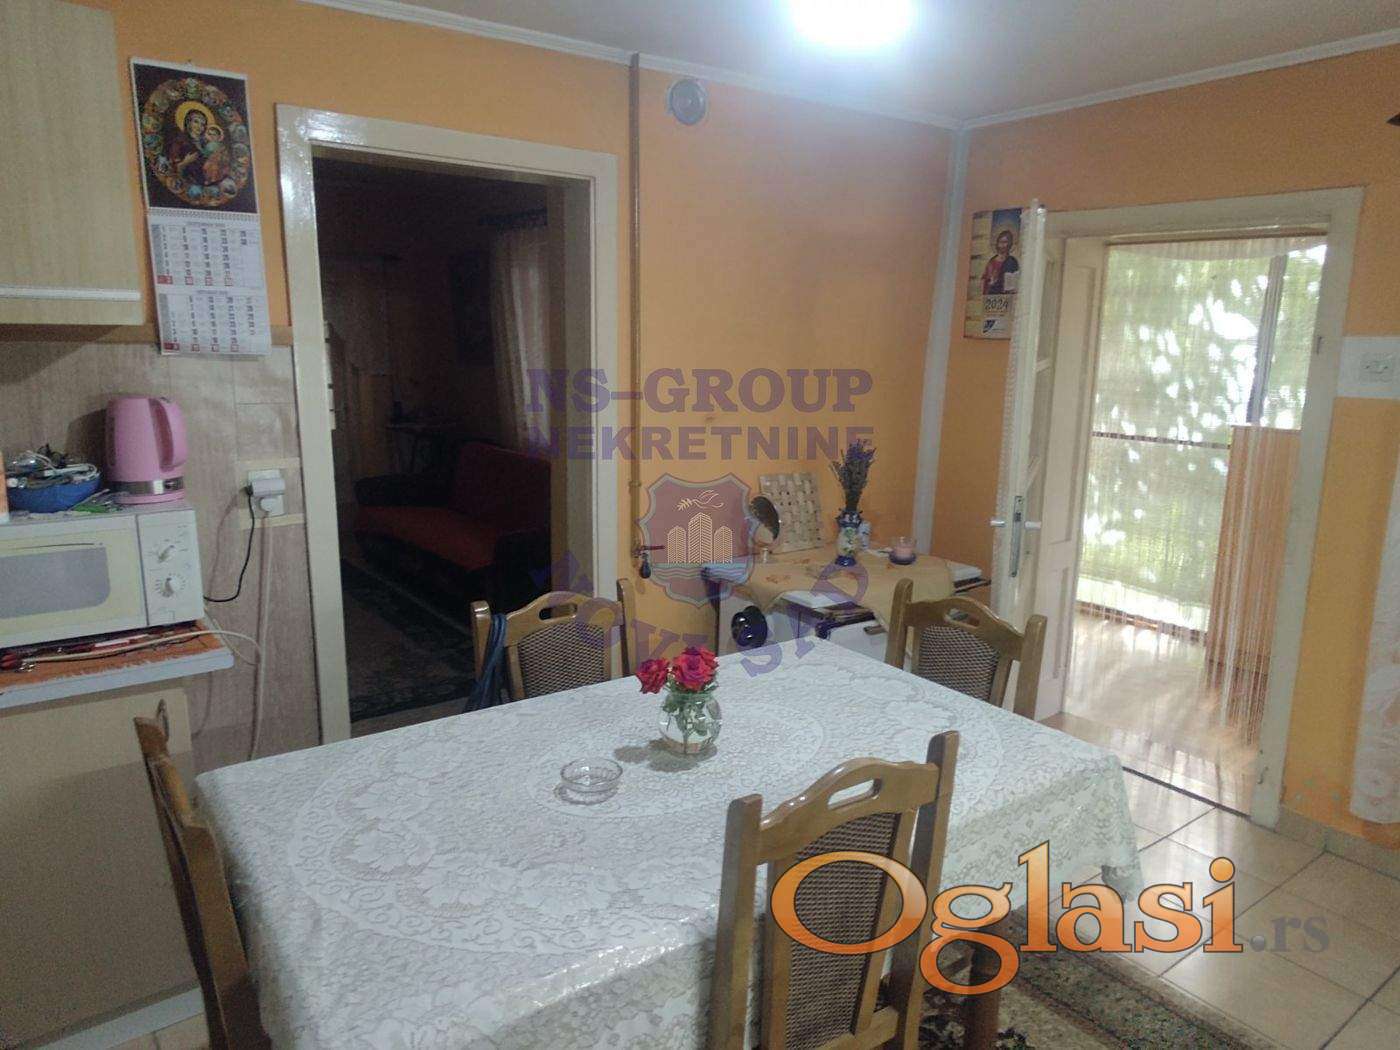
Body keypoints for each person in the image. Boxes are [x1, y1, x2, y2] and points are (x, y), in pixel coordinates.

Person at [981, 228, 1020, 295]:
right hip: (992, 295)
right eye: (1000, 242)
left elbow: (1014, 280)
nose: (1002, 245)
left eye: (1005, 242)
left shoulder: (1012, 261)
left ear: (1009, 244)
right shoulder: (991, 262)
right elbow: (985, 280)